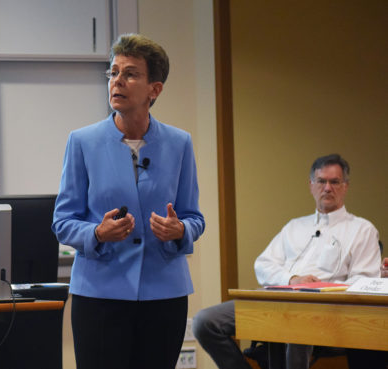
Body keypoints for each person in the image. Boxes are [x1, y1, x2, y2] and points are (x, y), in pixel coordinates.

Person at [52, 33, 205, 369]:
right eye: (113, 72)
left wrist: (180, 230)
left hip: (164, 294)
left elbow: (194, 216)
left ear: (155, 89)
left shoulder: (180, 143)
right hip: (100, 294)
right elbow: (63, 221)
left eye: (130, 73)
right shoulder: (83, 142)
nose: (117, 81)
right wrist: (96, 234)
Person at [192, 154, 380, 369]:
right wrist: (293, 279)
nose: (327, 188)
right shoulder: (294, 227)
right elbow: (263, 265)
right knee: (204, 322)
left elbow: (363, 281)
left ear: (345, 186)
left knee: (297, 323)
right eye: (321, 181)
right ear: (311, 186)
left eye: (334, 182)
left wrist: (323, 289)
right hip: (275, 302)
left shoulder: (362, 229)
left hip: (324, 312)